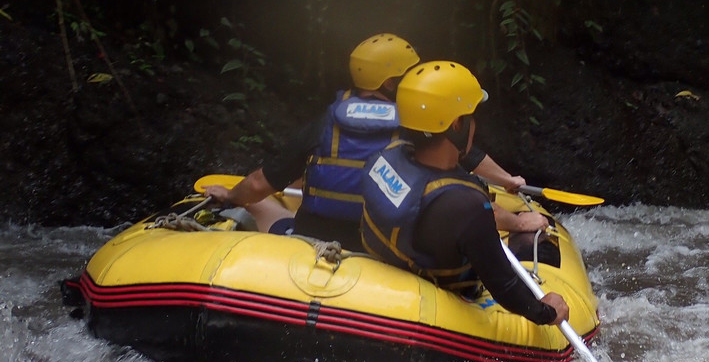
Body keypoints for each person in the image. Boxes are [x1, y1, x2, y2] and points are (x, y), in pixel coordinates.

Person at [204, 34, 528, 249]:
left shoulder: (325, 123)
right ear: (390, 82)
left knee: (256, 201)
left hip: (312, 240)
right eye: (409, 73)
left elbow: (260, 182)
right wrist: (510, 190)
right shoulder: (417, 124)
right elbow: (466, 170)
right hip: (381, 248)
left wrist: (232, 196)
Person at [359, 60, 569, 326]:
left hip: (383, 282)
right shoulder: (466, 205)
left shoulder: (386, 156)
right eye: (471, 117)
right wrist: (546, 312)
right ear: (457, 124)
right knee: (528, 245)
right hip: (439, 307)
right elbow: (505, 288)